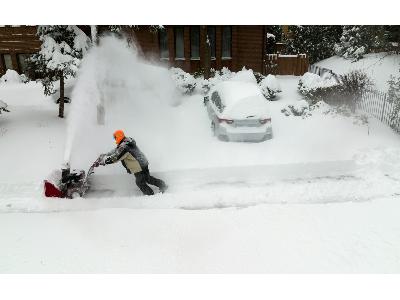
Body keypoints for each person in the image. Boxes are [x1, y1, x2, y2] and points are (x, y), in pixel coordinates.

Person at [98, 130, 168, 195]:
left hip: (139, 166)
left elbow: (116, 157)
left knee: (140, 182)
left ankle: (150, 195)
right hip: (142, 163)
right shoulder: (126, 142)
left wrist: (104, 161)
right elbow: (116, 150)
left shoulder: (124, 147)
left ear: (118, 137)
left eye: (115, 137)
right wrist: (106, 154)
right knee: (147, 179)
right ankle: (163, 185)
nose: (115, 139)